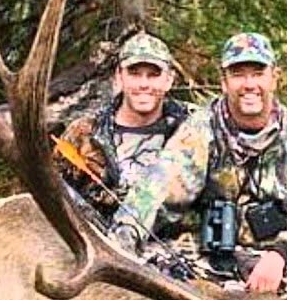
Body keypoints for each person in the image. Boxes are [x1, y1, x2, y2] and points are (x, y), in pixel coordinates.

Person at [109, 31, 287, 300]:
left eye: (257, 72)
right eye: (238, 74)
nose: (249, 84)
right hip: (204, 262)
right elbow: (155, 190)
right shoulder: (199, 131)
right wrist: (122, 238)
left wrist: (280, 255)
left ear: (275, 77)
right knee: (150, 277)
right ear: (224, 81)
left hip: (272, 263)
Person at [54, 31, 193, 234]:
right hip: (98, 251)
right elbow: (53, 196)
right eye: (134, 73)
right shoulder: (83, 133)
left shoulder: (193, 130)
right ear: (118, 77)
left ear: (169, 80)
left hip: (175, 252)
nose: (144, 84)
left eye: (154, 75)